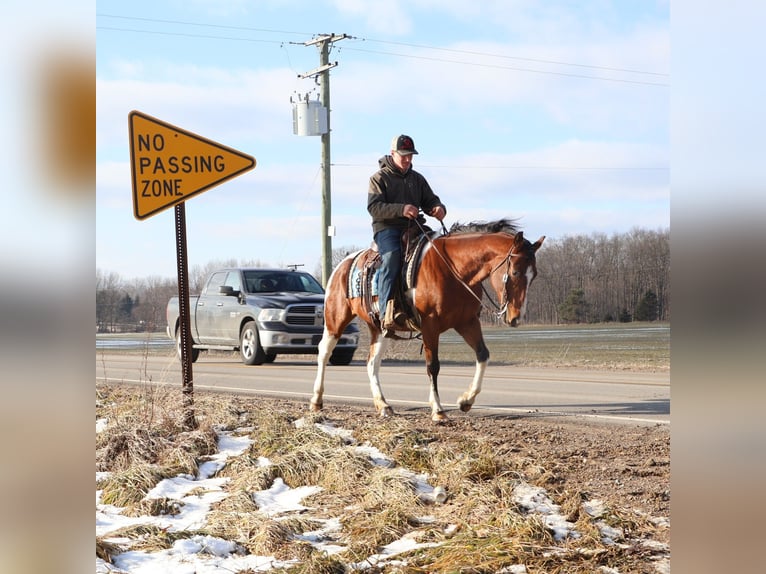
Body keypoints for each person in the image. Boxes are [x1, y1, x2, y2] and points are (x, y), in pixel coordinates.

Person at [367, 134, 447, 334]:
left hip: (414, 227)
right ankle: (386, 313)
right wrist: (401, 209)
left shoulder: (417, 179)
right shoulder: (379, 178)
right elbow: (374, 207)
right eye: (403, 155)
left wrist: (438, 208)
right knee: (392, 257)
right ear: (392, 153)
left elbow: (430, 200)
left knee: (438, 250)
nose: (408, 159)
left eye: (410, 155)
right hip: (387, 229)